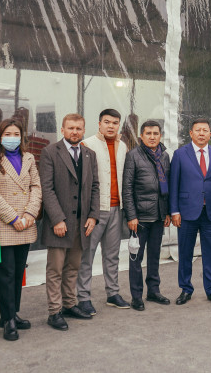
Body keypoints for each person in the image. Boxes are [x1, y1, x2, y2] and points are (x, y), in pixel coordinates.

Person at [0, 119, 42, 341]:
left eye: (16, 134)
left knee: (18, 272)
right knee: (5, 274)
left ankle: (12, 313)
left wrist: (30, 214)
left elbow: (36, 186)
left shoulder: (29, 158)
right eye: (7, 134)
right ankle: (7, 320)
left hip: (25, 224)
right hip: (4, 224)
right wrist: (13, 217)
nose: (12, 138)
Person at [39, 113, 100, 330]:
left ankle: (69, 304)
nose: (75, 132)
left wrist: (93, 216)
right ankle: (54, 312)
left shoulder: (90, 154)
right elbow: (46, 188)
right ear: (63, 130)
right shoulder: (50, 152)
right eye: (71, 128)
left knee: (73, 267)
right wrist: (57, 219)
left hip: (81, 223)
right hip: (60, 223)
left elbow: (95, 187)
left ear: (84, 130)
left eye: (78, 128)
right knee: (55, 270)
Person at [169, 118, 211, 306]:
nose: (201, 133)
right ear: (191, 133)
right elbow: (174, 184)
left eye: (205, 130)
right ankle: (185, 289)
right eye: (198, 130)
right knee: (185, 252)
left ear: (210, 134)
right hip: (187, 212)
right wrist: (174, 211)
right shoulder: (180, 154)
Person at [76, 109, 130, 315]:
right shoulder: (87, 144)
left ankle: (113, 293)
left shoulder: (123, 146)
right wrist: (88, 211)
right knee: (87, 255)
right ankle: (83, 297)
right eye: (107, 122)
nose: (111, 126)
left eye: (115, 123)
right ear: (99, 124)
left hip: (117, 208)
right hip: (95, 210)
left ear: (119, 125)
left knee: (112, 255)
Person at [122, 120, 172, 310]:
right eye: (148, 133)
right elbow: (127, 188)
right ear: (141, 136)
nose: (152, 137)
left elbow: (167, 185)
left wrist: (167, 212)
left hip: (158, 216)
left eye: (155, 133)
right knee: (136, 258)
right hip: (140, 218)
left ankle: (153, 291)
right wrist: (131, 216)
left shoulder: (164, 156)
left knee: (154, 256)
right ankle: (136, 296)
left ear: (160, 136)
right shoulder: (133, 156)